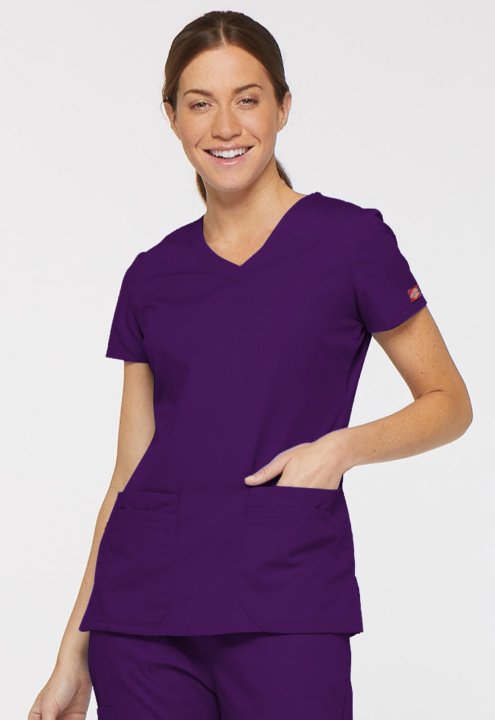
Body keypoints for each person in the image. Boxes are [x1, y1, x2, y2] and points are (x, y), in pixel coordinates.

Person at [28, 10, 473, 720]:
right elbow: (128, 472)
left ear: (283, 107)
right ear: (172, 117)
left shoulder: (350, 241)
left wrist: (340, 449)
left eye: (247, 99)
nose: (225, 126)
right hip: (141, 620)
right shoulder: (151, 275)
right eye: (200, 103)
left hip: (286, 601)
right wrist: (71, 653)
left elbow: (449, 402)